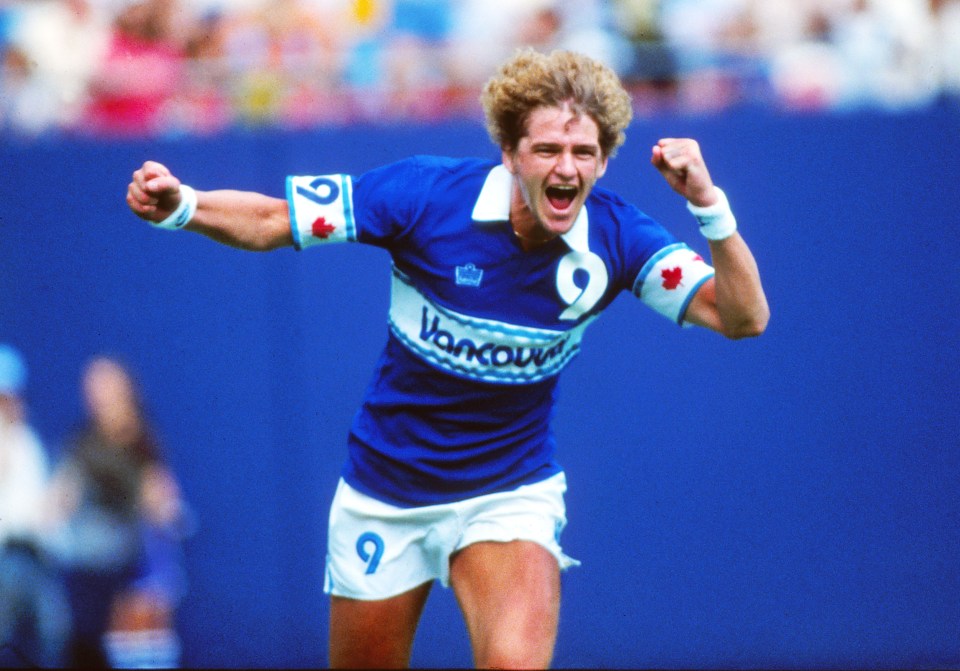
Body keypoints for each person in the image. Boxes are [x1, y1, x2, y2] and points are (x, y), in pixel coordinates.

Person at [125, 47, 769, 668]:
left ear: (603, 163)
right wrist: (184, 206)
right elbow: (272, 221)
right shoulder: (425, 196)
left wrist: (709, 205)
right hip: (385, 493)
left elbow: (743, 317)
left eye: (584, 152)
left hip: (508, 493)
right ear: (510, 154)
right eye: (547, 149)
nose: (567, 167)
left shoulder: (620, 236)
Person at [46, 356, 189, 668]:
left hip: (130, 570)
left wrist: (161, 506)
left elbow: (166, 507)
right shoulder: (81, 443)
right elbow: (58, 501)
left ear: (126, 390)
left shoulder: (145, 445)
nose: (98, 394)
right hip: (84, 572)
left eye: (106, 385)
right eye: (92, 387)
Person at [0, 344, 71, 668]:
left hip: (39, 555)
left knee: (54, 634)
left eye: (11, 394)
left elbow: (42, 505)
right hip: (7, 556)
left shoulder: (27, 439)